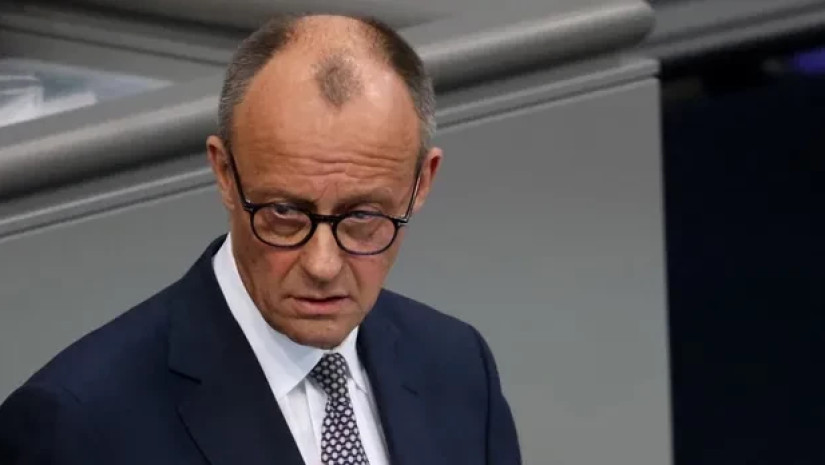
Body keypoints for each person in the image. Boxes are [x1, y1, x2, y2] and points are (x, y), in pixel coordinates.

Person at [0, 13, 520, 465]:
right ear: (225, 174)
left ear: (421, 183)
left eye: (363, 216)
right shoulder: (74, 425)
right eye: (283, 213)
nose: (322, 265)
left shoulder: (458, 365)